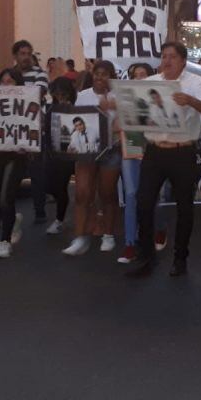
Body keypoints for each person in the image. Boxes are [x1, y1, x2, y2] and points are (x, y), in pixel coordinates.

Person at [127, 42, 201, 277]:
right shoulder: (149, 84)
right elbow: (133, 111)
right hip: (155, 150)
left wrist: (191, 101)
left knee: (184, 207)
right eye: (164, 56)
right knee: (143, 202)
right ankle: (146, 255)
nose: (167, 61)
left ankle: (180, 257)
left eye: (172, 57)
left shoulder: (196, 83)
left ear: (183, 60)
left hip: (182, 151)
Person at [62, 60, 121, 256]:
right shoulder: (83, 96)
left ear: (111, 77)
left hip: (111, 151)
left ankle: (108, 234)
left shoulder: (118, 96)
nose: (99, 77)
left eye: (104, 74)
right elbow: (76, 122)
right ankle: (79, 236)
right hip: (86, 151)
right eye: (97, 73)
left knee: (107, 193)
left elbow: (124, 122)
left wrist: (110, 109)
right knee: (82, 193)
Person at [118, 63, 167, 264]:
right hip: (131, 152)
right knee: (131, 194)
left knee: (158, 193)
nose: (138, 78)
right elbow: (116, 126)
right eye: (134, 75)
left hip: (155, 151)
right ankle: (130, 242)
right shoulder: (125, 100)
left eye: (142, 74)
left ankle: (159, 229)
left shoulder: (160, 100)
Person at [0, 68, 28, 258]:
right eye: (3, 81)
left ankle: (4, 242)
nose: (6, 85)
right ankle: (13, 221)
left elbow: (34, 128)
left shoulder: (27, 103)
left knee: (5, 198)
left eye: (10, 81)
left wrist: (27, 144)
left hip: (16, 157)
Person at [11, 40, 50, 223]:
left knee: (36, 172)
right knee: (11, 173)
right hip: (11, 130)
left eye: (28, 53)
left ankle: (39, 210)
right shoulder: (8, 74)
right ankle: (1, 213)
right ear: (16, 56)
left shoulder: (40, 74)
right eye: (22, 53)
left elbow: (38, 93)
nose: (26, 57)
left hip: (33, 129)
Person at [44, 77, 77, 235]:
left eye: (63, 94)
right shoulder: (51, 108)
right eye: (57, 94)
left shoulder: (77, 107)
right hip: (56, 153)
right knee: (53, 186)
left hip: (74, 153)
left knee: (67, 186)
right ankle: (60, 218)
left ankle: (60, 219)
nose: (60, 97)